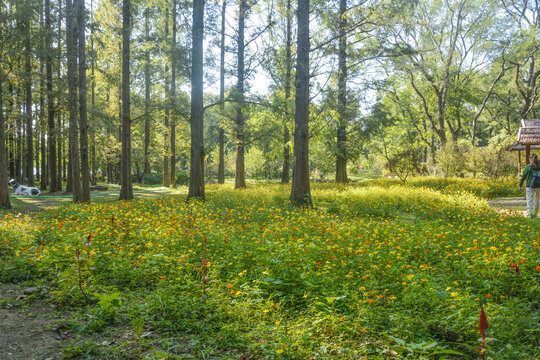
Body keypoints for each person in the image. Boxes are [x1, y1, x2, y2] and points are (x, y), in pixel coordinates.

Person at [519, 154, 540, 218]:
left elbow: (524, 176)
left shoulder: (528, 166)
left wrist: (520, 185)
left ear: (531, 159)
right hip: (539, 186)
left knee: (530, 201)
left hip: (530, 186)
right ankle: (535, 214)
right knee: (537, 201)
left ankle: (530, 215)